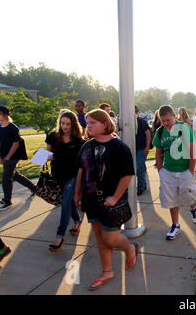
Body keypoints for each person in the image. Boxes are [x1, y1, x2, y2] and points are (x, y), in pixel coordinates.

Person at [74, 109, 137, 291]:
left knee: (110, 238)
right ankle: (107, 271)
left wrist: (115, 197)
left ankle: (129, 248)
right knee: (100, 239)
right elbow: (80, 171)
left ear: (105, 123)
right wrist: (77, 194)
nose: (89, 126)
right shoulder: (86, 146)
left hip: (111, 202)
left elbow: (127, 175)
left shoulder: (119, 147)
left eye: (93, 122)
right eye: (87, 123)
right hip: (90, 201)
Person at [152, 105, 196, 240]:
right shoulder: (160, 131)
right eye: (163, 120)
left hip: (185, 170)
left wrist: (190, 171)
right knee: (171, 199)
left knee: (188, 197)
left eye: (168, 120)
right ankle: (175, 225)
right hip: (168, 171)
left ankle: (193, 207)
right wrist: (161, 171)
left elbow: (192, 150)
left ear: (174, 116)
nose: (165, 123)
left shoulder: (184, 128)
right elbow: (158, 152)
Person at [46, 110, 85, 252]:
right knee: (68, 202)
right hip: (57, 174)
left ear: (73, 125)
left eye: (68, 124)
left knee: (65, 203)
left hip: (73, 176)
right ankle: (77, 221)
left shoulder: (79, 141)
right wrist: (46, 156)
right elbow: (46, 154)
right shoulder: (52, 137)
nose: (65, 126)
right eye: (62, 123)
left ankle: (59, 236)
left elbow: (81, 163)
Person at [0, 106, 37, 211]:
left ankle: (7, 201)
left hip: (13, 156)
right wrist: (0, 156)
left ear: (3, 114)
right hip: (4, 155)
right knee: (15, 175)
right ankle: (34, 188)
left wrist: (8, 156)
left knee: (6, 177)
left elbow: (15, 144)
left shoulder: (13, 128)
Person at [135, 106, 152, 196]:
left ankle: (141, 187)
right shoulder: (129, 122)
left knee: (139, 167)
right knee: (140, 167)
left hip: (142, 148)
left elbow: (148, 133)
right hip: (134, 148)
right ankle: (144, 184)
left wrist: (147, 146)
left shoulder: (141, 121)